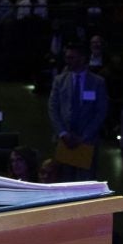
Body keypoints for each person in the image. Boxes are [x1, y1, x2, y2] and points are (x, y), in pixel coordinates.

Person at [48, 42, 108, 180]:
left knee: (86, 182)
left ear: (82, 58)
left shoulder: (97, 82)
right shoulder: (59, 81)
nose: (67, 60)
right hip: (64, 140)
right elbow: (53, 108)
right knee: (64, 181)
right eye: (67, 57)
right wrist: (63, 133)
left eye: (71, 57)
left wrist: (85, 135)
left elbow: (101, 112)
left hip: (87, 142)